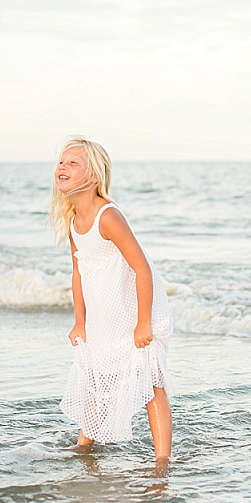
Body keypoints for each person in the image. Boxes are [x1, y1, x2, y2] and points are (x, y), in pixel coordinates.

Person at [49, 136, 174, 463]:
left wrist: (143, 321)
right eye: (62, 162)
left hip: (134, 306)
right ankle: (84, 445)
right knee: (100, 376)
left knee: (150, 379)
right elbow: (78, 273)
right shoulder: (74, 221)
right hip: (106, 309)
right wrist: (80, 321)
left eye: (73, 162)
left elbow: (142, 268)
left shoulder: (108, 216)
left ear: (93, 176)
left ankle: (162, 460)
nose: (63, 166)